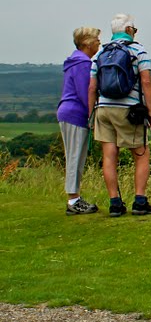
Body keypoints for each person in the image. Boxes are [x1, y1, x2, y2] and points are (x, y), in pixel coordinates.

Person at [88, 13, 151, 217]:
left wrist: (91, 114)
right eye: (134, 29)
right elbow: (146, 82)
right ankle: (140, 201)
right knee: (141, 154)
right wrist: (150, 111)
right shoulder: (138, 50)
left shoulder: (100, 53)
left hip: (104, 109)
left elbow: (92, 87)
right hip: (129, 110)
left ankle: (115, 203)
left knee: (109, 157)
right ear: (129, 30)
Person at [56, 26, 102, 215]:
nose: (99, 43)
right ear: (87, 43)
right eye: (97, 40)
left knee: (75, 156)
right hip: (76, 113)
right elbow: (86, 94)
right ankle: (73, 199)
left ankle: (74, 197)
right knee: (75, 157)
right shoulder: (83, 64)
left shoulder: (76, 61)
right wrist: (94, 116)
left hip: (69, 112)